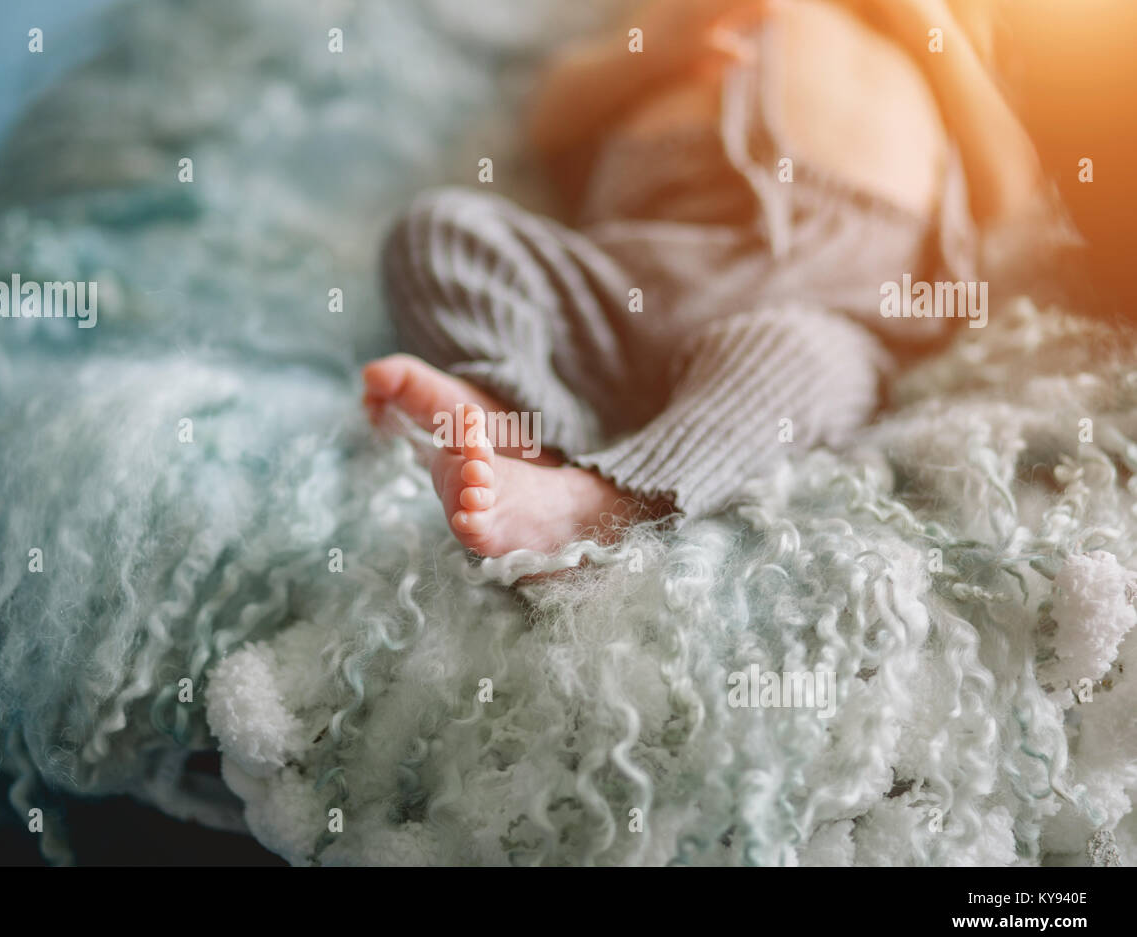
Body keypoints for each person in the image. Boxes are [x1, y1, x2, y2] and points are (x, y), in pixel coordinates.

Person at [363, 0, 1079, 557]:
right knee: (443, 231)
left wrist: (931, 27)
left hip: (819, 303)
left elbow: (1011, 192)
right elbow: (551, 117)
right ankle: (519, 415)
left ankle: (601, 501)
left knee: (799, 362)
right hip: (628, 285)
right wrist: (649, 52)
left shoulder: (928, 44)